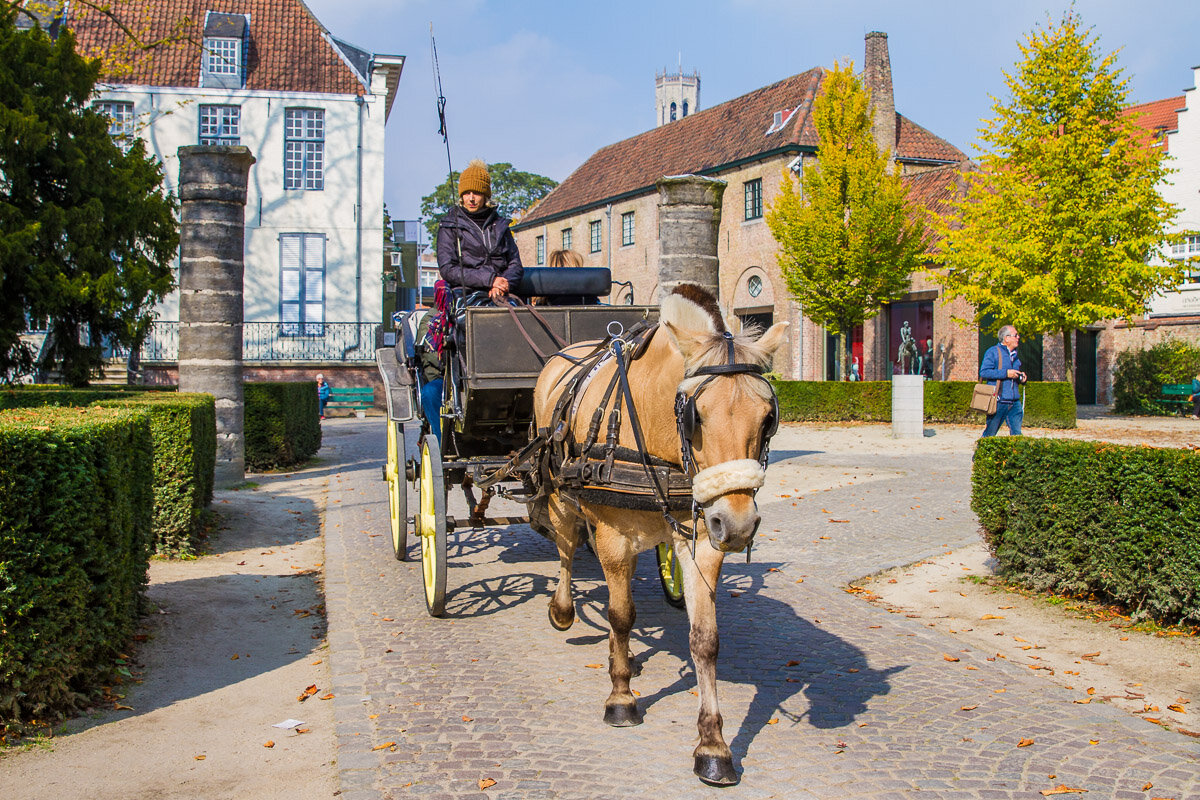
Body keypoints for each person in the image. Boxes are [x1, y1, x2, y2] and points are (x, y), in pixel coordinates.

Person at [436, 160, 523, 301]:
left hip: (501, 294)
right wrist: (490, 280)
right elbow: (448, 269)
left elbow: (515, 264)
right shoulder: (449, 226)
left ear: (485, 195)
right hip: (465, 296)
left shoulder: (500, 225)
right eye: (466, 193)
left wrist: (503, 283)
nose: (471, 198)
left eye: (476, 193)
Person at [979, 325, 1028, 437]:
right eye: (1015, 335)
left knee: (1017, 435)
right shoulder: (993, 352)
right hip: (999, 401)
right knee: (990, 434)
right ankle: (980, 454)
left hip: (1015, 402)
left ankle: (1016, 454)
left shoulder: (1015, 355)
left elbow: (1014, 376)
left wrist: (1021, 378)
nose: (1018, 337)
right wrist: (1006, 373)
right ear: (1006, 338)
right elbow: (984, 372)